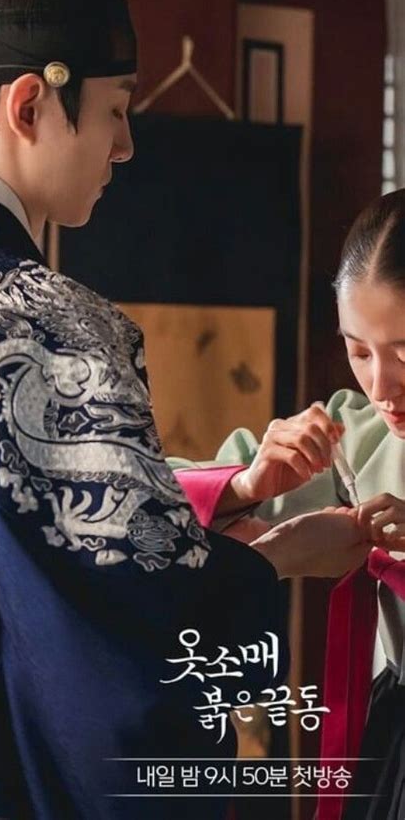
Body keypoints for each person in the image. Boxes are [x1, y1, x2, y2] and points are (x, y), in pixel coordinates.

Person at [0, 0, 376, 819]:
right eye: (116, 110)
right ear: (30, 104)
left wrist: (231, 495)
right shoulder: (37, 323)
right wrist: (281, 558)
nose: (126, 146)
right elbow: (129, 624)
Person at [170, 188, 405, 820]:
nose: (382, 386)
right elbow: (141, 499)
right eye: (360, 351)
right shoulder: (357, 436)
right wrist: (249, 483)